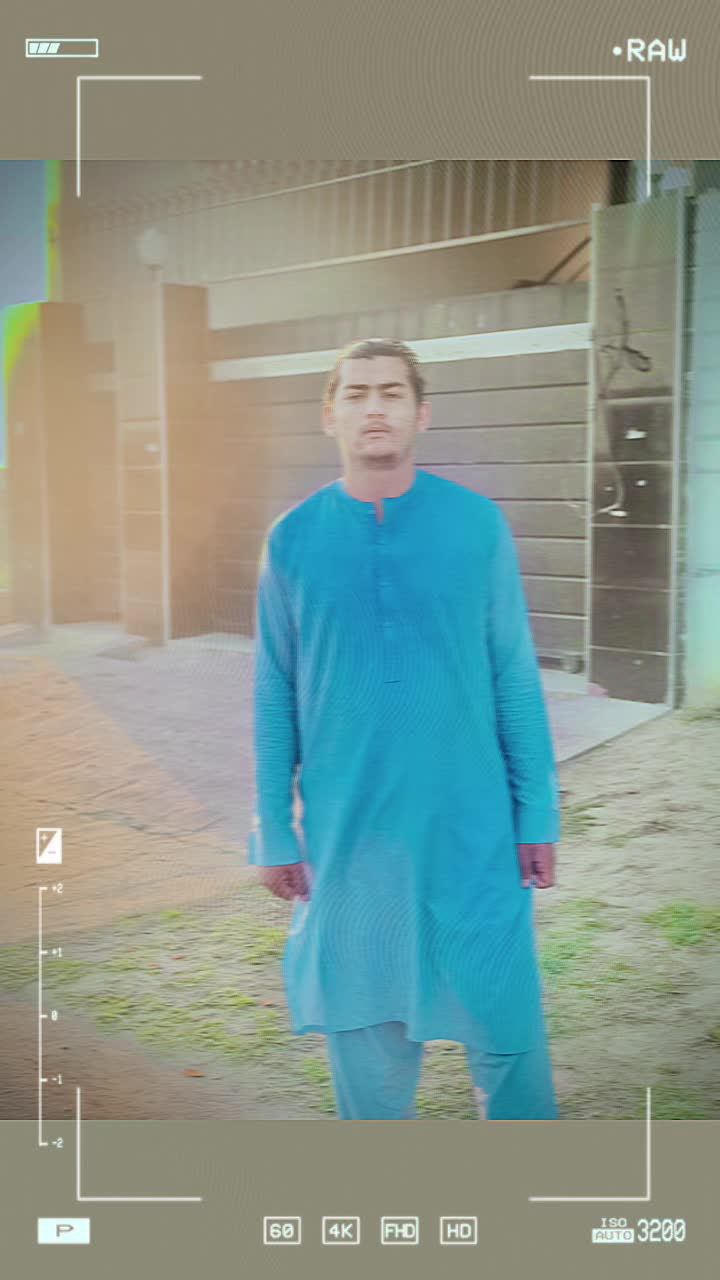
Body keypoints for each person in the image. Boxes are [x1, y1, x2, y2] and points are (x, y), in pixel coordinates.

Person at [248, 337, 560, 1120]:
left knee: (510, 1046)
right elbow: (273, 696)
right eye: (356, 394)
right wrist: (273, 831)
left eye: (391, 392)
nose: (374, 407)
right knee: (369, 1069)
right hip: (351, 845)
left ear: (422, 414)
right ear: (329, 416)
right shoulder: (292, 540)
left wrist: (538, 813)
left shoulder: (477, 527)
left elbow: (515, 677)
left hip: (473, 837)